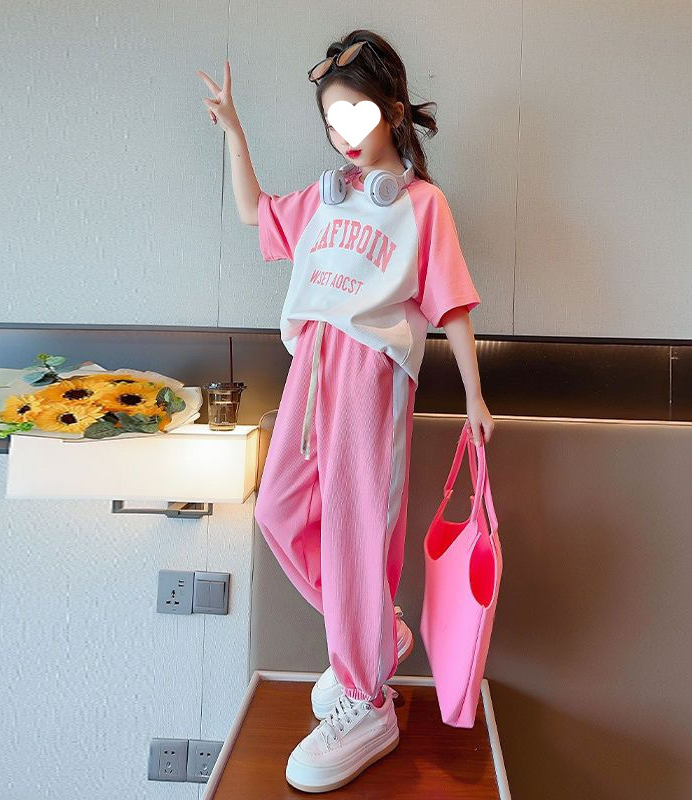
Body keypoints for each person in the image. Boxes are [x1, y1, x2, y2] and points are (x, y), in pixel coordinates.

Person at [198, 29, 494, 793]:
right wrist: (234, 129)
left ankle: (367, 698)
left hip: (372, 373)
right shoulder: (326, 198)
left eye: (357, 116)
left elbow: (452, 303)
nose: (345, 135)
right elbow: (252, 212)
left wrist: (474, 394)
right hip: (311, 366)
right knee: (280, 510)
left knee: (358, 531)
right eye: (333, 122)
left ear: (392, 111)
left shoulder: (422, 205)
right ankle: (371, 633)